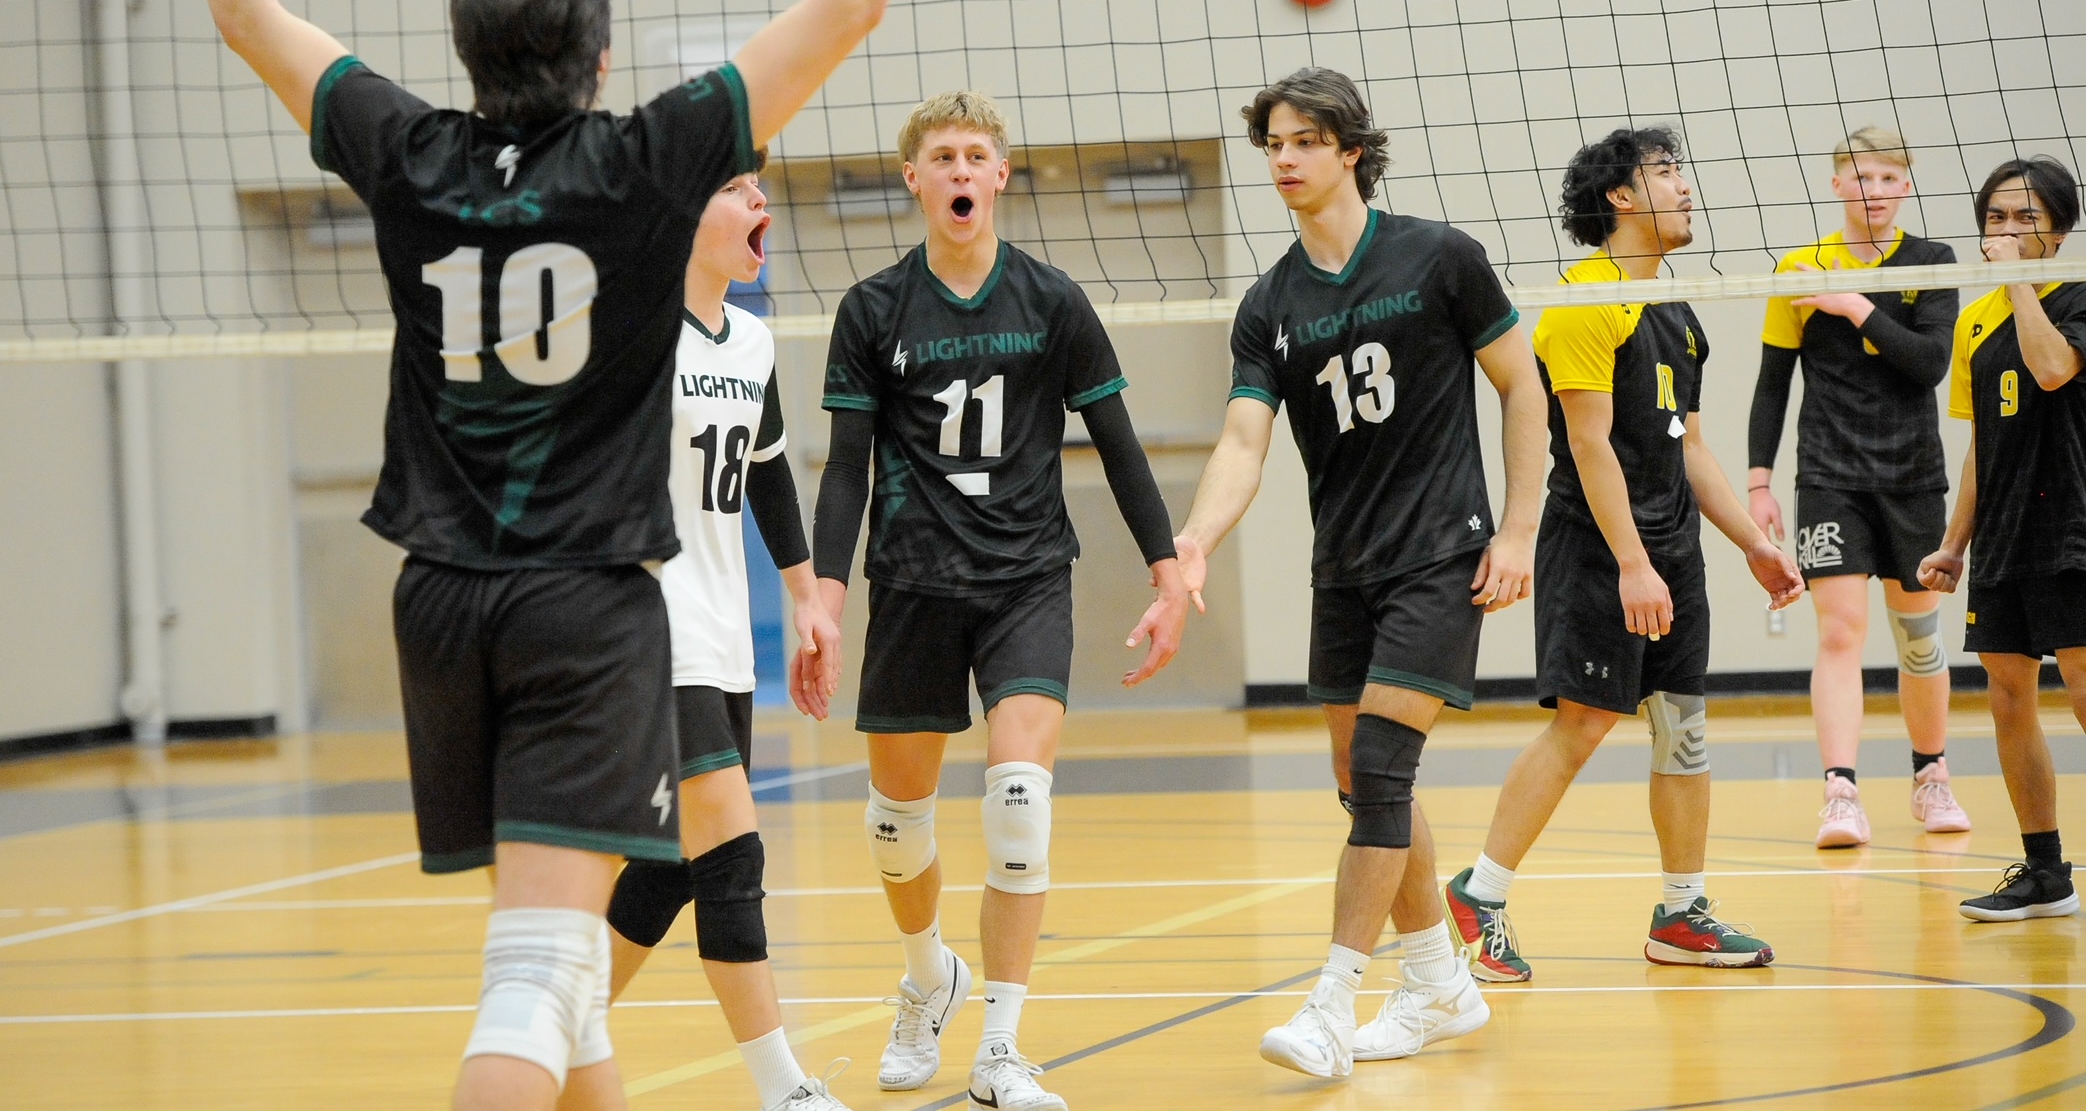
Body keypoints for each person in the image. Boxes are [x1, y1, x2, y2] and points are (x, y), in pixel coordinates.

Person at [90, 0, 1008, 1107]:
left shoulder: (406, 152)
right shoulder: (646, 165)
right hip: (581, 607)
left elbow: (247, 18)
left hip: (439, 606)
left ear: (465, 53)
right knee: (533, 976)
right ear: (600, 56)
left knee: (568, 974)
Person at [811, 90, 1191, 1111]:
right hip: (913, 582)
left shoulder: (1052, 299)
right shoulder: (871, 310)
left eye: (978, 154)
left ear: (1001, 175)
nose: (962, 171)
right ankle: (928, 974)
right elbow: (844, 469)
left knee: (1020, 803)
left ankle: (1002, 1049)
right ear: (916, 178)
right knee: (897, 826)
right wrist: (824, 593)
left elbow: (1114, 441)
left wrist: (1168, 567)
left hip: (1026, 575)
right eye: (943, 155)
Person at [1170, 67, 1549, 1079]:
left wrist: (1516, 531)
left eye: (1303, 140)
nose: (1284, 159)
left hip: (1440, 549)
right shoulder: (1270, 303)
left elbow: (1522, 386)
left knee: (1380, 763)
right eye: (1273, 144)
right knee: (1359, 780)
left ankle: (1331, 1000)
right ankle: (1438, 983)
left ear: (1349, 149)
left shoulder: (1438, 257)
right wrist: (1195, 537)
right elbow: (1244, 443)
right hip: (1342, 562)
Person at [1445, 128, 1803, 983]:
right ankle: (1481, 893)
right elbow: (1589, 441)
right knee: (1586, 720)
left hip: (1672, 545)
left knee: (1682, 725)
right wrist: (1634, 564)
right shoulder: (1584, 299)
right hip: (1600, 547)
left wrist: (1752, 543)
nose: (1686, 186)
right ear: (1621, 197)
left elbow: (1689, 449)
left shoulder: (1674, 313)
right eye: (1668, 172)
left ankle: (1682, 913)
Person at [596, 161, 853, 1111]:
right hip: (645, 630)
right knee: (733, 858)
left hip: (720, 633)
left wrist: (807, 601)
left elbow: (770, 475)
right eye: (741, 190)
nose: (763, 207)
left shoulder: (749, 339)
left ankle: (550, 1035)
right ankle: (783, 1088)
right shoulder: (627, 332)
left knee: (669, 869)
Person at [1745, 129, 1968, 848]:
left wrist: (1854, 305)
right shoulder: (1799, 268)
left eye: (1886, 177)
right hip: (1830, 475)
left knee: (1918, 635)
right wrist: (1759, 483)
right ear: (1837, 185)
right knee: (1840, 631)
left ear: (1905, 187)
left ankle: (1931, 775)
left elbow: (1930, 364)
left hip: (1911, 475)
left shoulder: (1933, 262)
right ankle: (1840, 791)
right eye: (1859, 177)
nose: (1872, 189)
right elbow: (1772, 383)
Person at [1919, 159, 2086, 920]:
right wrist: (1956, 543)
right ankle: (2047, 873)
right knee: (2009, 695)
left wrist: (2020, 278)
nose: (2008, 232)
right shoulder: (1975, 320)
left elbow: (2052, 370)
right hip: (2005, 535)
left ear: (2060, 226)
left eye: (2026, 219)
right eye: (1996, 220)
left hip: (2075, 527)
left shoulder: (2080, 296)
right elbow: (1983, 442)